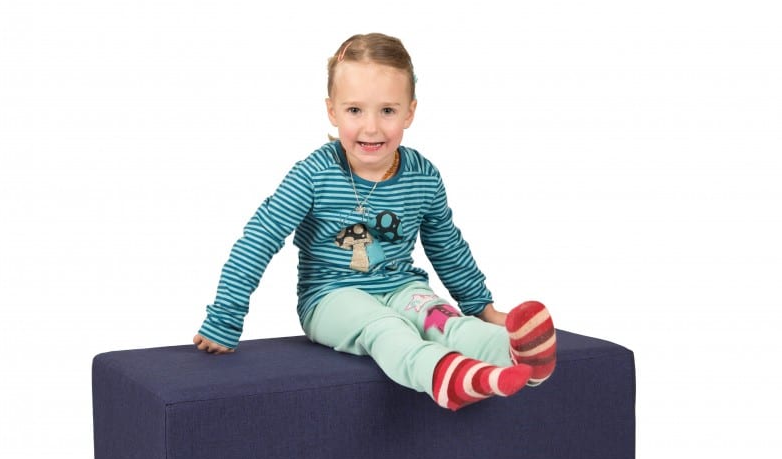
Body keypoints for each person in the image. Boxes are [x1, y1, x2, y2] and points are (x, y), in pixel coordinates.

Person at [194, 33, 556, 411]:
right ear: (332, 111)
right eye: (355, 110)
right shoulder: (313, 175)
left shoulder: (422, 176)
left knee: (443, 320)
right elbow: (259, 239)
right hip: (330, 298)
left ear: (409, 112)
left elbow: (447, 246)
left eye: (387, 111)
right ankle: (441, 376)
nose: (371, 128)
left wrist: (482, 308)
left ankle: (516, 357)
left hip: (402, 287)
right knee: (386, 327)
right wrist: (224, 318)